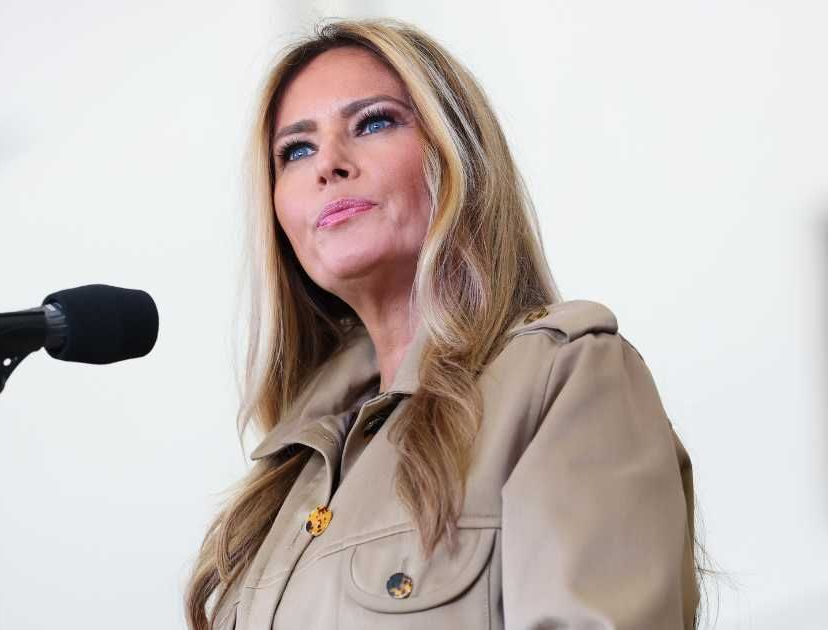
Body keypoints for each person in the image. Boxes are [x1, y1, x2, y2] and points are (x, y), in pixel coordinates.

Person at [183, 18, 700, 630]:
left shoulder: (564, 376)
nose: (328, 164)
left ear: (457, 156)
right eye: (297, 150)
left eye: (373, 122)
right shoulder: (287, 477)